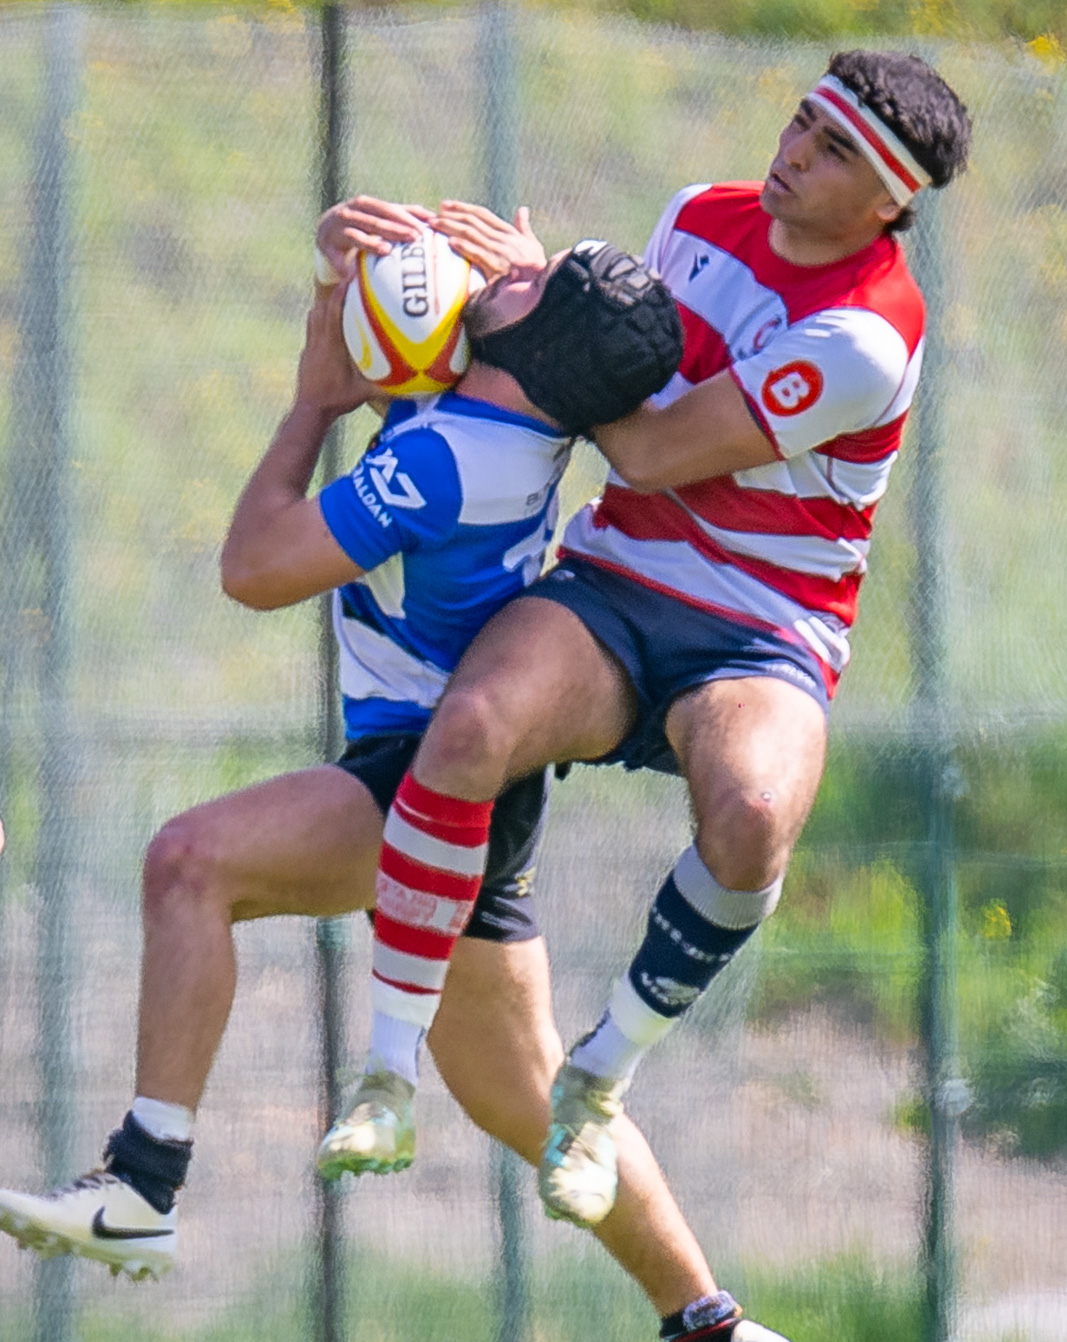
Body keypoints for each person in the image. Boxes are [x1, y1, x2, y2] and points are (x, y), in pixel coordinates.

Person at [0, 215, 797, 1342]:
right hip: (477, 775)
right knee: (519, 1093)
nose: (501, 271)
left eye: (528, 281)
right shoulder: (519, 408)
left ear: (529, 338)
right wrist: (362, 249)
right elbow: (423, 275)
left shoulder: (447, 454)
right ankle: (714, 1336)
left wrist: (314, 401)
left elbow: (254, 570)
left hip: (426, 782)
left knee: (190, 864)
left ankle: (142, 1181)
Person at [330, 52, 971, 1229]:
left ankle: (599, 1078)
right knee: (470, 726)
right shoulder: (696, 218)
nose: (792, 156)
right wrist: (433, 292)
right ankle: (382, 1077)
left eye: (833, 155)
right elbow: (618, 371)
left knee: (754, 821)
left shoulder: (867, 334)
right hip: (619, 576)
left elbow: (656, 447)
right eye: (798, 126)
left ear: (892, 204)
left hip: (766, 628)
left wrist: (550, 302)